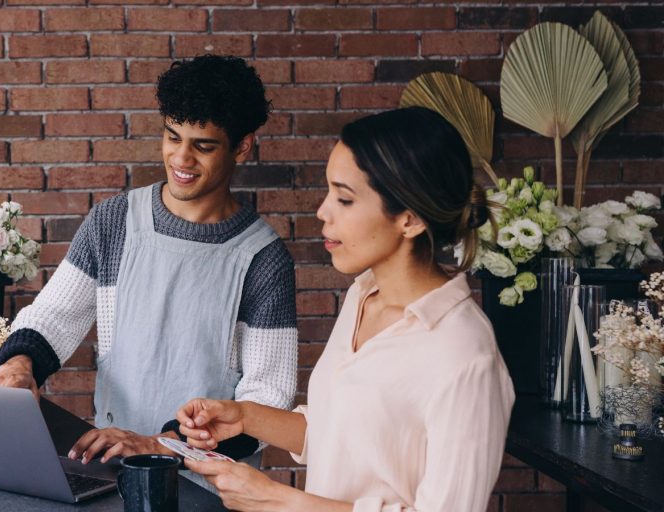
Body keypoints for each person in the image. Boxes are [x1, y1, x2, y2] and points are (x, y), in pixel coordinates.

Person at [176, 107, 516, 511]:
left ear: (409, 219)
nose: (323, 211)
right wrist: (243, 416)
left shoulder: (464, 354)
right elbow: (339, 434)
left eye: (344, 198)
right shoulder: (363, 296)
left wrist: (278, 501)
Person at [0, 55, 298, 465]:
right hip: (113, 467)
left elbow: (267, 398)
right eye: (173, 137)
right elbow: (54, 317)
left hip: (214, 487)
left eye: (202, 146)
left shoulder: (263, 258)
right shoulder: (114, 222)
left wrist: (158, 444)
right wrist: (19, 367)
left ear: (242, 146)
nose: (182, 159)